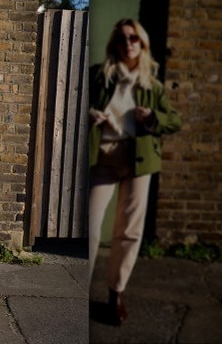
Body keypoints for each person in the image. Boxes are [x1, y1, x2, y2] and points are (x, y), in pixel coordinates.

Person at [87, 18, 181, 325]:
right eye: (122, 39)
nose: (128, 44)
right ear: (115, 44)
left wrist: (152, 117)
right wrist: (88, 114)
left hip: (140, 161)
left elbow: (173, 121)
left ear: (142, 44)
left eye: (134, 39)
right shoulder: (99, 76)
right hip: (103, 158)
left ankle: (117, 292)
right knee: (89, 226)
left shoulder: (151, 85)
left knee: (129, 231)